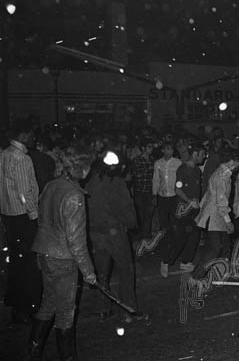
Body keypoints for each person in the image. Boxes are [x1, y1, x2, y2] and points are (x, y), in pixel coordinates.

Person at [27, 145, 97, 361]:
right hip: (63, 259)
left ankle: (33, 352)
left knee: (48, 303)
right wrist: (89, 272)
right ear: (80, 169)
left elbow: (41, 219)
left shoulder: (51, 185)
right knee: (66, 312)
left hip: (43, 253)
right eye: (88, 168)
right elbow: (76, 241)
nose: (90, 172)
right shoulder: (74, 194)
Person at [86, 151, 141, 322]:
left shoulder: (90, 180)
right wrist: (132, 223)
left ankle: (102, 307)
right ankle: (128, 308)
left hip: (95, 231)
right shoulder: (117, 183)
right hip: (114, 231)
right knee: (125, 269)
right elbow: (126, 208)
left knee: (102, 272)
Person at [0, 119, 42, 324]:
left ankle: (17, 306)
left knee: (16, 263)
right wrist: (34, 215)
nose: (34, 138)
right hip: (23, 217)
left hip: (9, 215)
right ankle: (27, 308)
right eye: (31, 134)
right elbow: (25, 193)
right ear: (23, 135)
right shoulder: (22, 159)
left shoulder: (4, 154)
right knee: (28, 265)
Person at [190, 150, 239, 280]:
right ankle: (196, 276)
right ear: (230, 161)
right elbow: (221, 201)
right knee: (215, 249)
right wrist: (228, 221)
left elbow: (209, 194)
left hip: (215, 214)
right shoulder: (222, 176)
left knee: (225, 244)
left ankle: (222, 270)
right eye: (237, 163)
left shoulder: (222, 173)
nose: (238, 166)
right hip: (215, 216)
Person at [160, 142, 206, 277]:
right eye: (202, 154)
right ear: (195, 154)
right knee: (180, 237)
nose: (204, 157)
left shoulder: (197, 170)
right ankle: (166, 261)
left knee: (194, 235)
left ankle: (186, 261)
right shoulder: (183, 169)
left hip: (194, 208)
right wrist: (189, 201)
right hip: (183, 209)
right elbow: (178, 189)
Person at [152, 143, 183, 236]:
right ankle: (164, 239)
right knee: (163, 220)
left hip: (174, 195)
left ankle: (173, 238)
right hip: (162, 195)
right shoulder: (158, 163)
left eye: (171, 149)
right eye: (167, 149)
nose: (170, 151)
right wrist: (154, 194)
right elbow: (156, 179)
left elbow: (181, 178)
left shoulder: (178, 163)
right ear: (163, 150)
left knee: (174, 219)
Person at [131, 139, 155, 237]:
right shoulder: (137, 160)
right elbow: (136, 174)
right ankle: (141, 234)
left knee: (149, 214)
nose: (151, 149)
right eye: (149, 147)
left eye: (152, 147)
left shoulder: (152, 159)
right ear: (143, 148)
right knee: (140, 214)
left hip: (150, 190)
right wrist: (147, 169)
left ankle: (147, 233)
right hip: (140, 191)